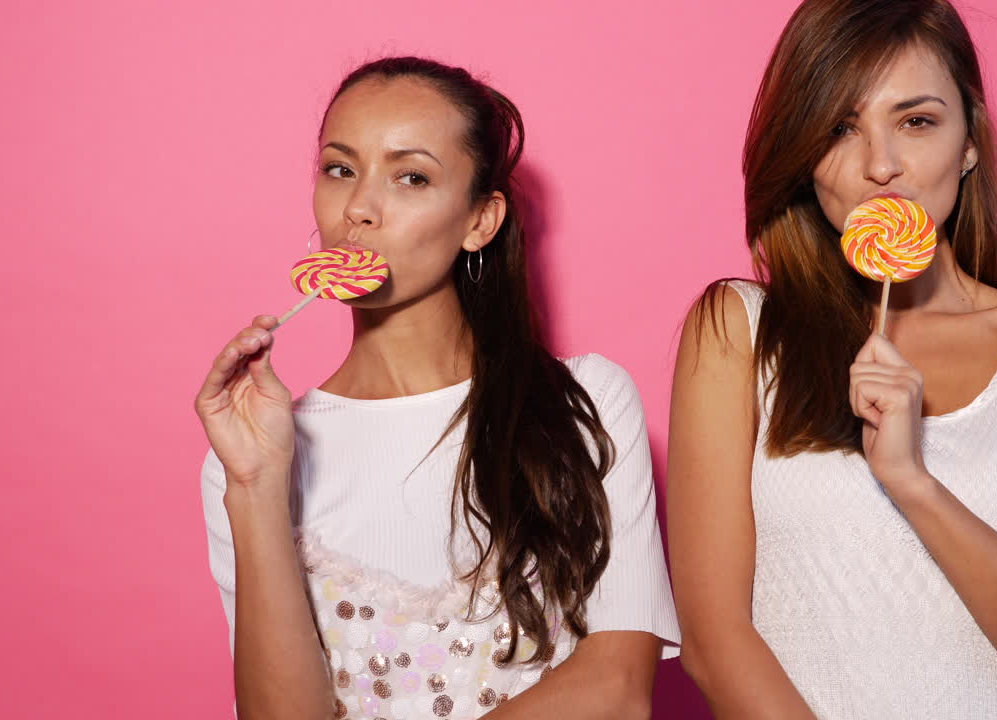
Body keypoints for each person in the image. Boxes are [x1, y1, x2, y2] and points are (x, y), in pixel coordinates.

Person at [667, 1, 997, 717]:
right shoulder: (739, 330)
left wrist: (913, 481)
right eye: (839, 128)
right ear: (801, 153)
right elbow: (713, 640)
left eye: (917, 121)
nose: (881, 165)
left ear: (968, 141)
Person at [196, 56, 678, 720]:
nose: (358, 208)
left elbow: (619, 691)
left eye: (410, 177)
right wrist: (253, 486)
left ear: (480, 220)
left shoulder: (586, 402)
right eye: (340, 169)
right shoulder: (257, 451)